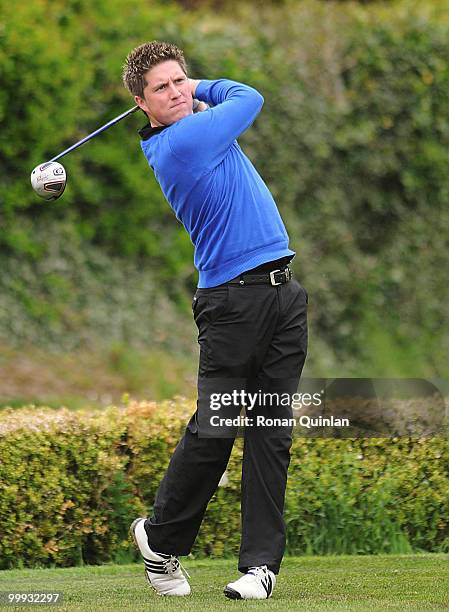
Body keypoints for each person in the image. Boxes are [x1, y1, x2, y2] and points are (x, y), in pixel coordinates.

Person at [122, 40, 308, 600]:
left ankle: (259, 568)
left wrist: (190, 94)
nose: (177, 91)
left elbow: (224, 108)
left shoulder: (196, 128)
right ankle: (159, 538)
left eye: (181, 80)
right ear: (141, 106)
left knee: (270, 433)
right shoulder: (182, 142)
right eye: (162, 87)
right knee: (217, 429)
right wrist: (203, 87)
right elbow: (248, 96)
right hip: (232, 303)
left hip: (282, 292)